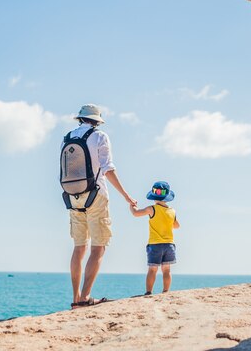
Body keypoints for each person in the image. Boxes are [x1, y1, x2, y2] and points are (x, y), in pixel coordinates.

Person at [64, 104, 137, 308]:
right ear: (97, 120)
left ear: (80, 118)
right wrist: (125, 195)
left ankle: (75, 297)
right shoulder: (100, 137)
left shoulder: (68, 137)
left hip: (73, 196)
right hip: (96, 195)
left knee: (79, 247)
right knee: (98, 247)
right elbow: (108, 169)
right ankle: (85, 297)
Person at [129, 181, 180, 295]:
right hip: (169, 245)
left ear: (154, 197)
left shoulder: (152, 209)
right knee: (166, 270)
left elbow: (136, 213)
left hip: (155, 244)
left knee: (152, 270)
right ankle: (166, 291)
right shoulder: (172, 211)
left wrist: (132, 206)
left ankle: (148, 292)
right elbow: (177, 225)